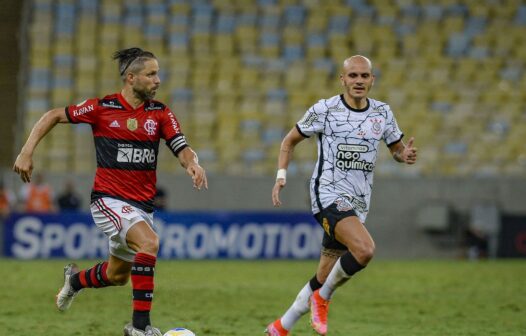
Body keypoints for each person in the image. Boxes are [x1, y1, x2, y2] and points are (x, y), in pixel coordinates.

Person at [13, 47, 207, 336]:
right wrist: (26, 152)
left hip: (142, 206)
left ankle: (75, 281)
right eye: (151, 74)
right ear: (131, 78)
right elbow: (53, 115)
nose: (158, 80)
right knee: (150, 244)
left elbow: (181, 146)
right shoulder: (102, 108)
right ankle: (140, 328)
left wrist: (193, 163)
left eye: (158, 74)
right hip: (108, 200)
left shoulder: (160, 113)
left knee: (117, 276)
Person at [265, 55, 417, 336]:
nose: (358, 81)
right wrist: (281, 177)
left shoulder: (382, 113)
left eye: (364, 76)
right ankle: (322, 300)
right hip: (328, 194)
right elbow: (289, 141)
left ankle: (279, 327)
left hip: (359, 203)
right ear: (343, 79)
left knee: (324, 275)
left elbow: (395, 148)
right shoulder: (325, 109)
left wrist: (403, 155)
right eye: (353, 76)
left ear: (372, 80)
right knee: (364, 249)